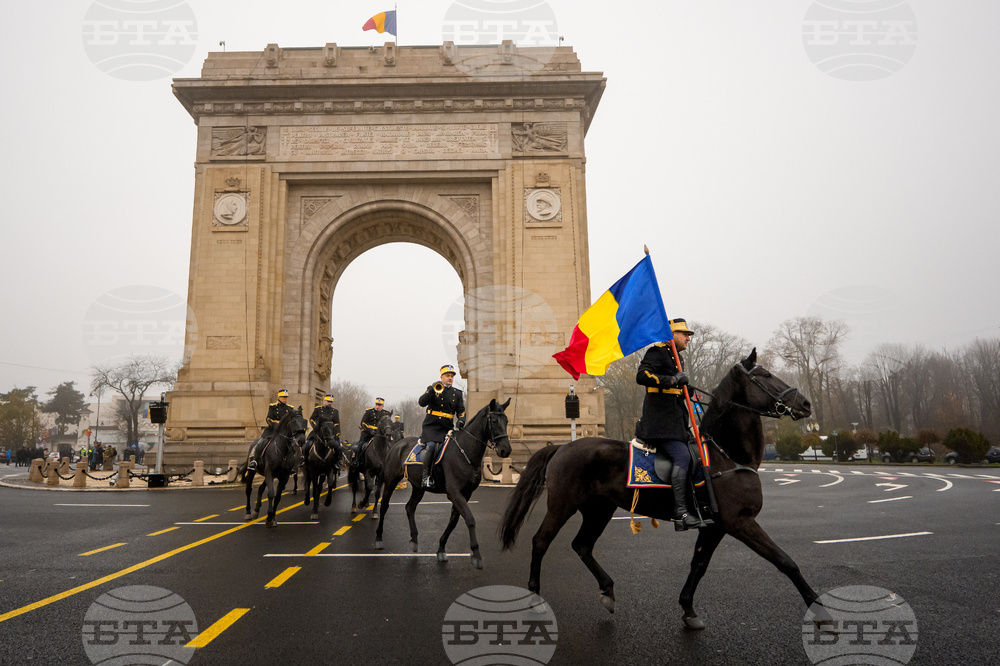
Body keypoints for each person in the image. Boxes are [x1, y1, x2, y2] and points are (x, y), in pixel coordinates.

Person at [635, 318, 700, 531]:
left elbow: (677, 390)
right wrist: (672, 381)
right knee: (681, 456)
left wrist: (688, 391)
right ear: (672, 335)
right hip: (660, 424)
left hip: (675, 423)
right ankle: (680, 512)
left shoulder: (677, 358)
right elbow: (642, 375)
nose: (688, 338)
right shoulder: (658, 352)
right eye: (684, 334)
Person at [418, 365, 466, 488]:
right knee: (432, 446)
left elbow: (461, 411)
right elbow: (422, 402)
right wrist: (432, 390)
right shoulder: (433, 388)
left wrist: (461, 420)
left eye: (452, 376)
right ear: (441, 377)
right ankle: (425, 477)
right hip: (432, 427)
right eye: (447, 376)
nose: (450, 378)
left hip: (447, 428)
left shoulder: (457, 393)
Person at [247, 389, 296, 471]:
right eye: (283, 397)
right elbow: (269, 419)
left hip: (284, 432)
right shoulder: (273, 406)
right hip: (272, 430)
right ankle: (255, 461)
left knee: (294, 445)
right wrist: (277, 425)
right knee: (261, 442)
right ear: (279, 397)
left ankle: (293, 465)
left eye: (286, 397)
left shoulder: (290, 408)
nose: (285, 399)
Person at [353, 398, 384, 470]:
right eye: (376, 404)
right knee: (360, 445)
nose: (377, 406)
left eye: (379, 405)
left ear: (382, 406)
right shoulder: (369, 412)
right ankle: (357, 460)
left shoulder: (384, 413)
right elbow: (363, 423)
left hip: (379, 434)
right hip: (368, 434)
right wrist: (370, 430)